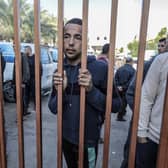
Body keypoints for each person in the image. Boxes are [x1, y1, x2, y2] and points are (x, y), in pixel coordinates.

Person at [48, 18, 108, 167]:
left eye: (78, 37)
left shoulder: (100, 68)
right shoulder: (59, 70)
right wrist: (60, 92)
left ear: (85, 41)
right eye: (67, 36)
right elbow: (53, 108)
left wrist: (91, 90)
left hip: (88, 142)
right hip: (66, 140)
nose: (71, 42)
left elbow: (116, 105)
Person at [120, 37, 167, 168]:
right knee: (130, 158)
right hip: (144, 126)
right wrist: (142, 117)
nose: (160, 48)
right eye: (160, 45)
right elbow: (132, 93)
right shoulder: (149, 65)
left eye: (163, 45)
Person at [115, 57, 135, 121]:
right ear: (131, 62)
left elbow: (115, 78)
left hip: (119, 88)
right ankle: (120, 115)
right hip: (126, 89)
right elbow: (131, 82)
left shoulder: (120, 69)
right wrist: (123, 87)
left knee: (121, 100)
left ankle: (122, 112)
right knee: (124, 102)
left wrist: (118, 86)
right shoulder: (133, 70)